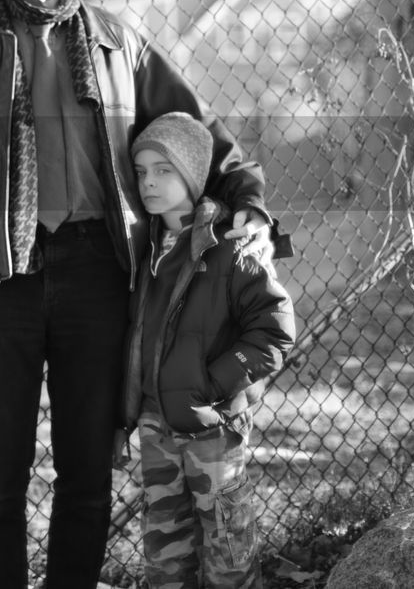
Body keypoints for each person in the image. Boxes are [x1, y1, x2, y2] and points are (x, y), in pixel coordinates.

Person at [0, 0, 273, 588]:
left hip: (98, 276)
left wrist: (243, 192)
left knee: (86, 473)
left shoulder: (114, 41)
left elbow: (192, 124)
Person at [120, 112, 296, 589]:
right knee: (166, 552)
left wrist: (212, 385)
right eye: (141, 172)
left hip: (212, 429)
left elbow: (275, 331)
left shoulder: (229, 248)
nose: (149, 183)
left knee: (228, 550)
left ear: (194, 174)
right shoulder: (143, 249)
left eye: (164, 170)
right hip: (157, 428)